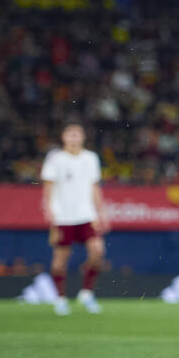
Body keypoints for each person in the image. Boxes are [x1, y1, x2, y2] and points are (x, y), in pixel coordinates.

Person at [40, 122, 110, 315]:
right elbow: (48, 186)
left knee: (97, 252)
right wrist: (49, 211)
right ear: (63, 137)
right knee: (60, 260)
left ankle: (86, 293)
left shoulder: (90, 158)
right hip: (63, 216)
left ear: (83, 137)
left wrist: (101, 212)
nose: (73, 138)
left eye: (77, 134)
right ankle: (60, 299)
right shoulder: (56, 159)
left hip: (86, 214)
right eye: (70, 134)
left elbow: (94, 187)